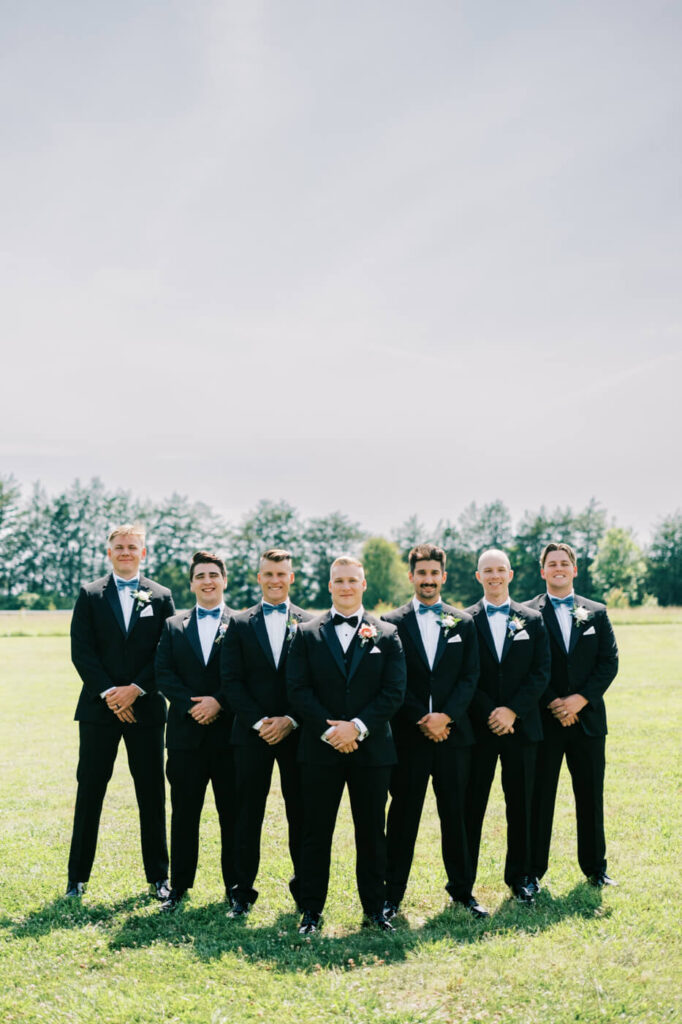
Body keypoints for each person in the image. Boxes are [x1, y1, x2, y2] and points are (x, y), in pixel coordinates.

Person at [286, 556, 406, 935]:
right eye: (339, 580)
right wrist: (330, 731)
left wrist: (356, 728)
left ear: (364, 584)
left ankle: (374, 910)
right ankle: (310, 911)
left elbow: (394, 692)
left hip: (372, 751)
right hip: (319, 749)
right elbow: (298, 689)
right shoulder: (306, 633)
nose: (346, 587)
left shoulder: (386, 634)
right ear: (330, 585)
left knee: (371, 831)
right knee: (315, 831)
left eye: (353, 580)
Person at [66, 523, 174, 899]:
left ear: (143, 553)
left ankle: (159, 877)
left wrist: (136, 690)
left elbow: (167, 651)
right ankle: (76, 879)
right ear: (108, 552)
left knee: (151, 792)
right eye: (119, 546)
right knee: (90, 790)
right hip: (98, 710)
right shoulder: (90, 594)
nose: (126, 552)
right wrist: (112, 694)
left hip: (146, 710)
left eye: (132, 547)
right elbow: (82, 649)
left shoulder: (161, 597)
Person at [381, 544, 484, 919]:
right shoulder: (389, 622)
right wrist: (421, 719)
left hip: (454, 737)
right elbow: (391, 679)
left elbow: (470, 676)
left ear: (443, 576)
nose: (427, 580)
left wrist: (446, 717)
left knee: (456, 816)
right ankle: (391, 896)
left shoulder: (464, 623)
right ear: (411, 577)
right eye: (420, 573)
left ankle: (463, 891)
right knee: (403, 816)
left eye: (433, 573)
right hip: (408, 738)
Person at [220, 548, 312, 917]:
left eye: (282, 574)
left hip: (297, 733)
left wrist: (290, 719)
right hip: (251, 734)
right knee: (246, 814)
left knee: (302, 815)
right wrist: (260, 722)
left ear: (292, 577)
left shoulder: (310, 623)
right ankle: (241, 893)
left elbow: (314, 681)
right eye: (268, 574)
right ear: (259, 578)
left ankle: (305, 889)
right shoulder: (240, 624)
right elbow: (231, 680)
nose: (275, 580)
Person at [525, 542, 619, 892]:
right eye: (552, 563)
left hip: (588, 721)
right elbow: (530, 666)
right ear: (543, 571)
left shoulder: (596, 612)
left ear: (574, 569)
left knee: (590, 795)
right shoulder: (528, 614)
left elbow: (608, 662)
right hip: (545, 723)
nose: (559, 568)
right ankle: (533, 871)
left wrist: (580, 700)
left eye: (565, 563)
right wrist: (554, 703)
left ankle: (596, 868)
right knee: (540, 796)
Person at [465, 549, 550, 904]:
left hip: (522, 727)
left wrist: (513, 710)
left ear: (511, 575)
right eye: (488, 570)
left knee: (523, 805)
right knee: (471, 806)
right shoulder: (464, 620)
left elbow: (541, 671)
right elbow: (465, 673)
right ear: (478, 576)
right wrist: (491, 712)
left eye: (501, 570)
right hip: (478, 729)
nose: (495, 576)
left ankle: (523, 877)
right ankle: (463, 882)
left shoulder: (532, 619)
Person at [154, 551, 236, 911]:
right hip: (186, 737)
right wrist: (192, 706)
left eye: (213, 575)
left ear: (224, 580)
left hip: (229, 737)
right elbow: (163, 674)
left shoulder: (242, 623)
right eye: (200, 575)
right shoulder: (173, 625)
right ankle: (179, 886)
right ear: (191, 583)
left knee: (232, 815)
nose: (207, 581)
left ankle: (235, 886)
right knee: (184, 814)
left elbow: (245, 676)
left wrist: (219, 702)